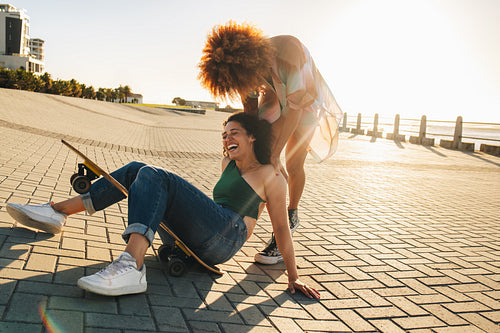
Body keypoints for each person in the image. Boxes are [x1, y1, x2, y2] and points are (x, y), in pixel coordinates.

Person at [6, 112, 320, 299]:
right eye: (224, 135)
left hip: (228, 237)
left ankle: (131, 265)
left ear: (252, 137)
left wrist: (293, 277)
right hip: (201, 233)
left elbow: (281, 228)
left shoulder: (271, 175)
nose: (226, 140)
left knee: (156, 177)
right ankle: (57, 212)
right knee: (136, 169)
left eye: (234, 133)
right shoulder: (229, 163)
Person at [199, 21, 344, 265]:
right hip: (275, 98)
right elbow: (250, 110)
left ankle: (290, 217)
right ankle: (241, 221)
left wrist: (276, 152)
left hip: (305, 104)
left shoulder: (288, 50)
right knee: (262, 158)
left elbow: (295, 110)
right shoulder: (243, 72)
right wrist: (239, 139)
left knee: (291, 163)